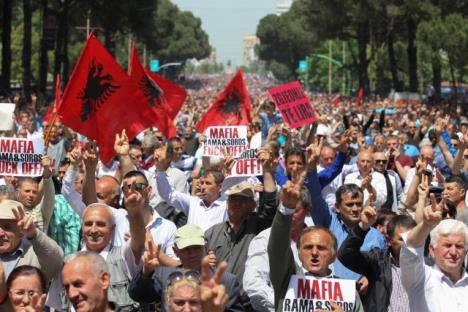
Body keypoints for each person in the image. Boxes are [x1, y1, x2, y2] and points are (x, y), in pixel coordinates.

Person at [268, 178, 364, 312]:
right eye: (308, 247)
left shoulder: (347, 291)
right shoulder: (287, 278)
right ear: (299, 254)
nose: (314, 252)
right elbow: (277, 248)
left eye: (321, 248)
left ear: (333, 256)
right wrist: (286, 210)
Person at [129, 224, 243, 312]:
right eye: (186, 249)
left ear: (205, 247)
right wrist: (146, 272)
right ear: (175, 251)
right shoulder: (163, 276)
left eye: (196, 248)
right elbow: (137, 295)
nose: (192, 253)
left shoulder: (227, 281)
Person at [243, 187, 312, 312]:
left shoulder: (319, 240)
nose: (289, 216)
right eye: (285, 209)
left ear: (308, 210)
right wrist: (286, 305)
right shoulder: (264, 240)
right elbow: (253, 283)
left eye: (295, 210)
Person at [338, 211, 416, 312]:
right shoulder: (378, 261)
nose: (407, 244)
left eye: (411, 239)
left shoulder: (425, 265)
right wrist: (362, 227)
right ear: (388, 240)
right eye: (402, 239)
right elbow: (346, 254)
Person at [400, 196, 468, 311]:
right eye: (447, 245)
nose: (453, 252)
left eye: (459, 246)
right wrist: (426, 225)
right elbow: (411, 249)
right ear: (432, 249)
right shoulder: (420, 278)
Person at [0, 200, 63, 310]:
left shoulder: (35, 253)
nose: (0, 233)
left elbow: (57, 261)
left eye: (7, 227)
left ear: (20, 231)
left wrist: (34, 234)